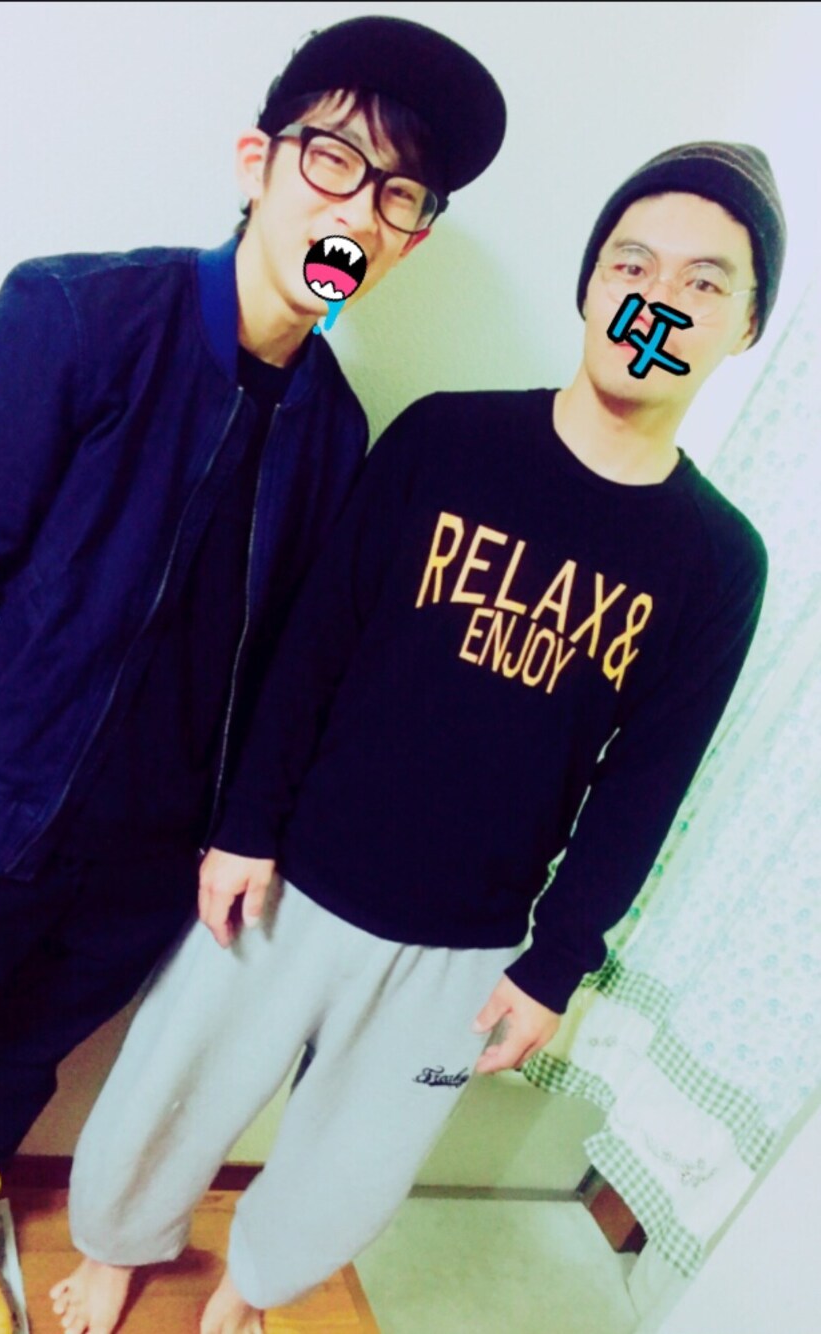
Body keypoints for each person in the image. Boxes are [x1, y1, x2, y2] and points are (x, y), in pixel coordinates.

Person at [0, 15, 508, 1334]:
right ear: (259, 162)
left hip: (150, 853)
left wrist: (229, 834)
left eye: (399, 194)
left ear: (410, 240)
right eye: (334, 159)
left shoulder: (337, 432)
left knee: (22, 1057)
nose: (356, 208)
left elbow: (292, 662)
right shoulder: (78, 318)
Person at [54, 142, 785, 1334]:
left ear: (744, 325)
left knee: (354, 1158)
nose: (658, 298)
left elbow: (646, 783)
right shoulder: (447, 440)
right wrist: (244, 826)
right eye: (631, 263)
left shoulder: (717, 560)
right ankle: (116, 1243)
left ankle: (251, 1287)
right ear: (592, 285)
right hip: (295, 872)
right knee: (170, 1087)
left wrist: (555, 964)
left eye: (703, 282)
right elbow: (314, 641)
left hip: (465, 936)